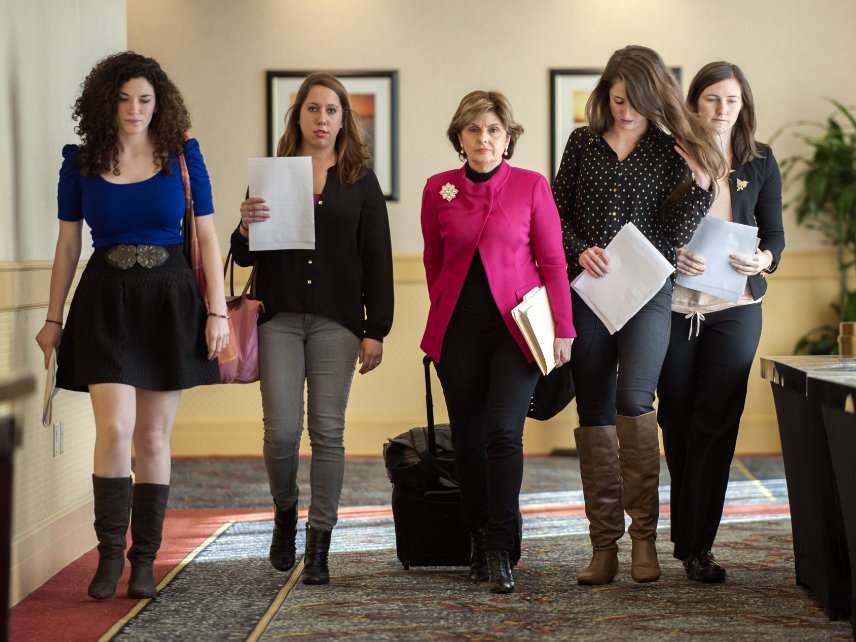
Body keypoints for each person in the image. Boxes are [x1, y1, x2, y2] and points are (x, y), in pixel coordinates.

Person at [34, 52, 228, 600]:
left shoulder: (183, 156)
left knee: (153, 435)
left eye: (144, 98)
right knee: (115, 430)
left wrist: (217, 312)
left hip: (169, 300)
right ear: (106, 102)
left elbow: (207, 237)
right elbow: (69, 244)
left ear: (159, 102)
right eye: (123, 98)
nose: (134, 109)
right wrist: (53, 318)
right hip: (104, 299)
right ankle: (108, 557)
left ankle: (145, 560)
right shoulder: (81, 161)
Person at [553, 45, 726, 586]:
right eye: (618, 99)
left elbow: (676, 240)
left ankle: (644, 540)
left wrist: (701, 190)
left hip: (649, 293)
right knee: (595, 408)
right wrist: (579, 248)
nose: (626, 111)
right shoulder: (582, 143)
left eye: (636, 103)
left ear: (656, 101)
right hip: (589, 294)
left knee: (635, 400)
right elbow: (554, 215)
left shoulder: (668, 149)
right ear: (605, 94)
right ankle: (604, 545)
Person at [231, 72, 393, 585]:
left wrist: (376, 328)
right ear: (297, 115)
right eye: (313, 109)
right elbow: (241, 254)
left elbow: (377, 258)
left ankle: (320, 543)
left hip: (338, 323)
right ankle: (285, 513)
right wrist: (242, 225)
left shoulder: (360, 179)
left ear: (345, 120)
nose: (322, 119)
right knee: (281, 433)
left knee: (328, 433)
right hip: (278, 318)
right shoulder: (273, 175)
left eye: (332, 111)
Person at [421, 90, 575, 594]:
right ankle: (477, 537)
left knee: (504, 436)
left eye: (492, 130)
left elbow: (553, 262)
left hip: (518, 332)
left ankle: (502, 546)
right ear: (459, 138)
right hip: (458, 332)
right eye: (473, 130)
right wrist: (441, 308)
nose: (483, 138)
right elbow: (434, 261)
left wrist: (565, 330)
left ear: (507, 138)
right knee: (467, 439)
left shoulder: (531, 186)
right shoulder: (437, 189)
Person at [657, 61, 784, 583]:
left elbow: (774, 236)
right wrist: (673, 249)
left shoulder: (760, 159)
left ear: (742, 107)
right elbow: (647, 222)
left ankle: (697, 546)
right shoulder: (668, 156)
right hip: (674, 306)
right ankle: (686, 531)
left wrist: (764, 261)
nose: (722, 109)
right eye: (712, 99)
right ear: (694, 104)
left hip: (736, 308)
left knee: (717, 420)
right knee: (677, 418)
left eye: (731, 100)